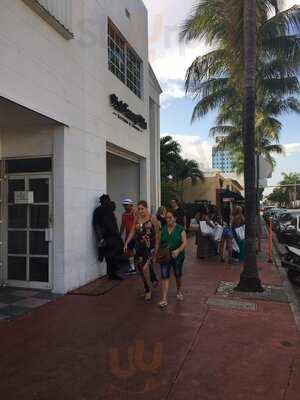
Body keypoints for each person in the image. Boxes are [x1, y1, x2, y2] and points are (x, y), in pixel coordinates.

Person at [124, 201, 160, 301]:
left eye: (142, 209)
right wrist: (126, 242)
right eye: (138, 209)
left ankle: (148, 290)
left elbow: (157, 236)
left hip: (149, 247)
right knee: (141, 269)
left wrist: (156, 251)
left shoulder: (153, 219)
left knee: (144, 268)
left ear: (146, 208)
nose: (140, 211)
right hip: (139, 247)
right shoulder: (137, 218)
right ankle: (150, 282)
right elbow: (132, 231)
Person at [158, 209, 187, 308]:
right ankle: (164, 299)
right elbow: (159, 242)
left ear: (175, 218)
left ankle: (179, 290)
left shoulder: (180, 229)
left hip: (177, 256)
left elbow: (184, 242)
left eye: (170, 217)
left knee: (177, 275)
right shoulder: (163, 229)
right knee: (164, 276)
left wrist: (178, 251)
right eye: (166, 218)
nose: (168, 219)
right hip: (165, 256)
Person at [93, 194, 124, 280]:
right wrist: (101, 238)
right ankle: (112, 274)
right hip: (107, 236)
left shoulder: (108, 210)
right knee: (109, 256)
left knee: (113, 256)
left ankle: (113, 273)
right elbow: (96, 225)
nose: (108, 202)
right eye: (107, 201)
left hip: (113, 236)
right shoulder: (100, 211)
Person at [120, 198, 136, 274]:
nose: (125, 207)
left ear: (131, 205)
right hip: (128, 235)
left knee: (140, 250)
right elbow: (122, 225)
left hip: (137, 235)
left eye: (127, 205)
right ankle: (132, 268)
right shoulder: (124, 215)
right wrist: (120, 234)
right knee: (129, 251)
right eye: (124, 205)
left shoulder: (135, 213)